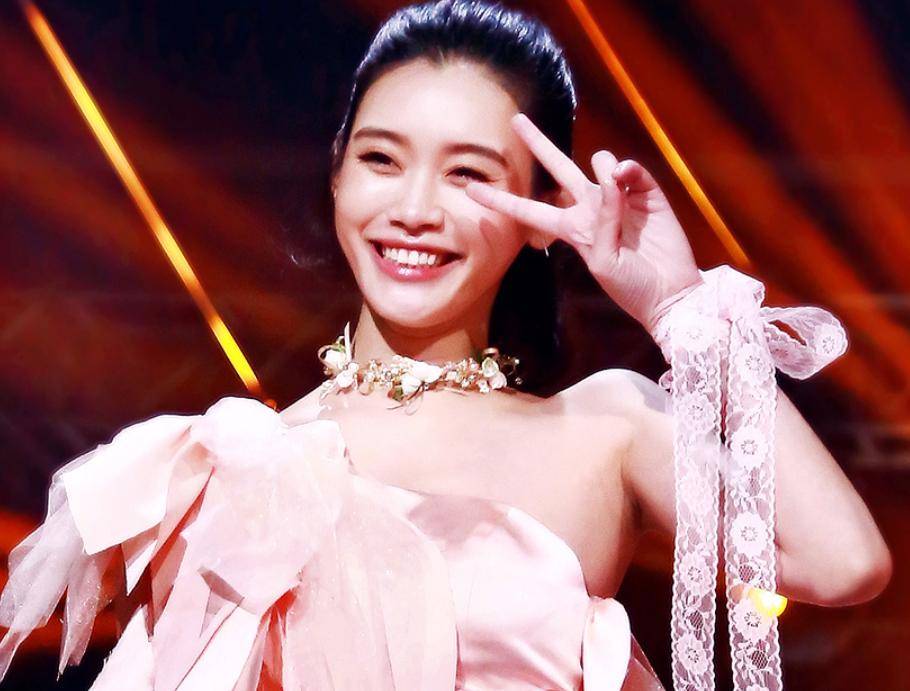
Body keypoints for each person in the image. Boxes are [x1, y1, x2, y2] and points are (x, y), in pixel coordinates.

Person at [0, 1, 892, 689]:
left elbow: (844, 560)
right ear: (337, 173)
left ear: (541, 213)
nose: (415, 208)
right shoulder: (223, 466)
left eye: (469, 174)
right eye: (382, 160)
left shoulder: (604, 429)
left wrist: (679, 304)